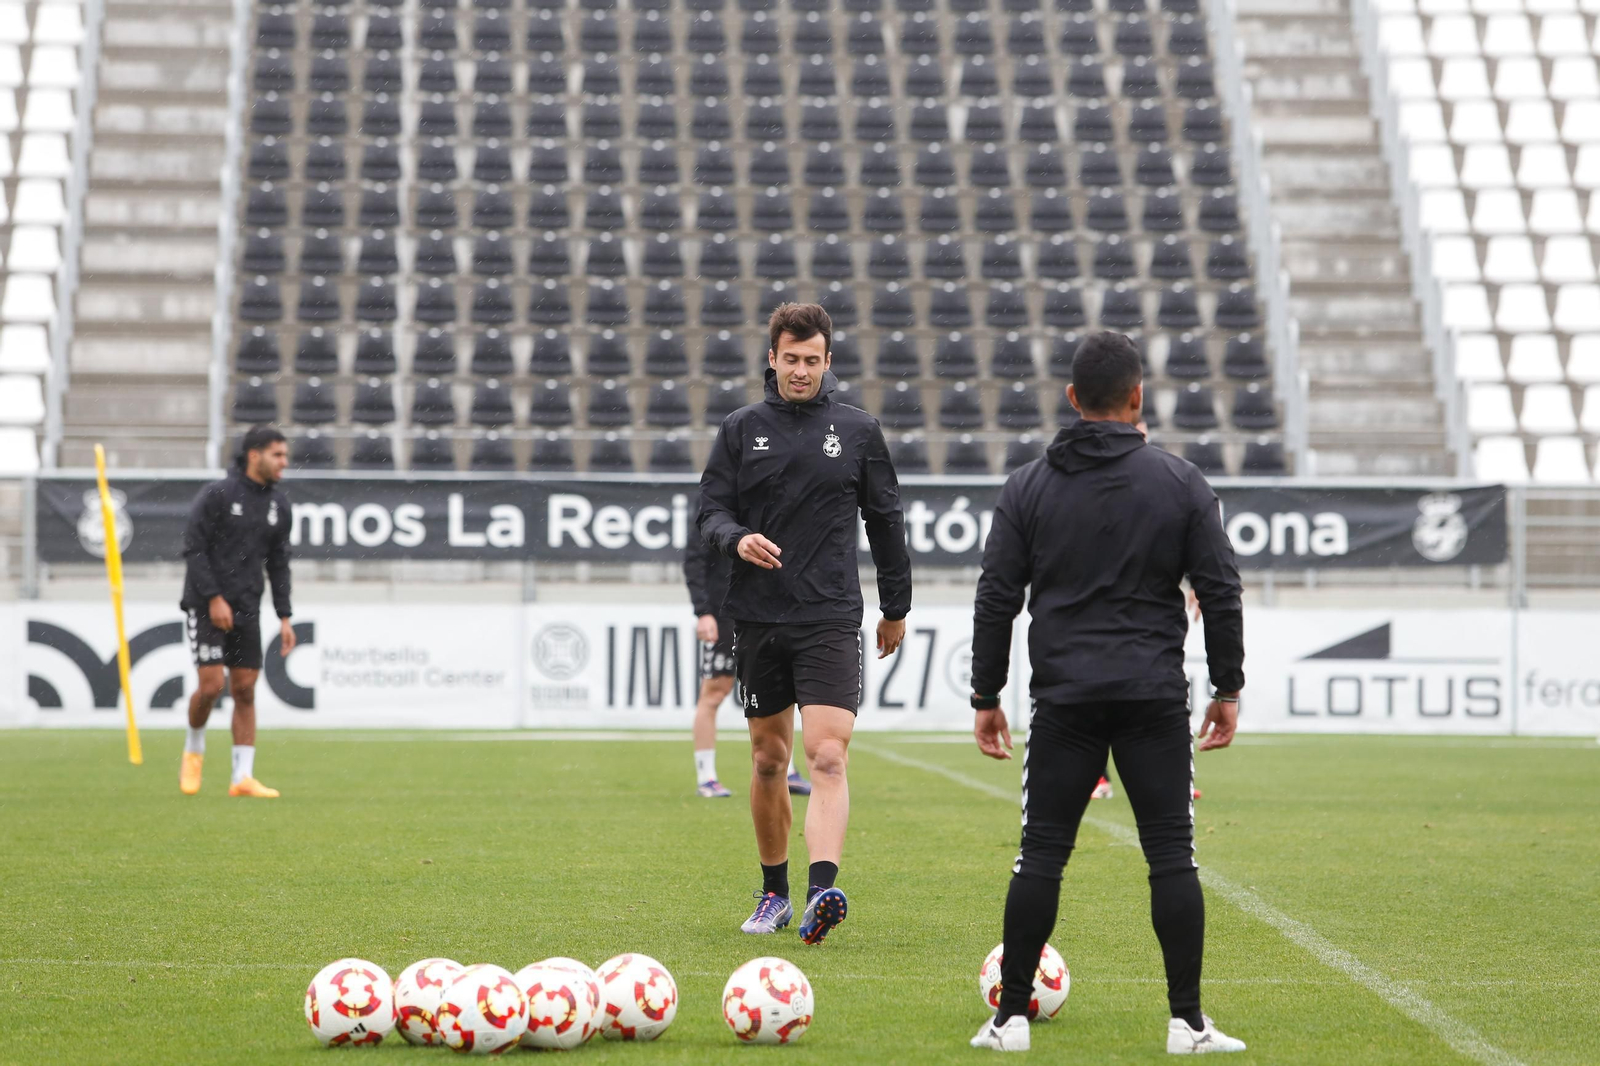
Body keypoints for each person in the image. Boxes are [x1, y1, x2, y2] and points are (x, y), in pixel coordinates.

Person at [966, 332, 1247, 1054]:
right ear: (1137, 397)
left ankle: (1011, 1020)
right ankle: (1187, 1024)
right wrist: (1227, 685)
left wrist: (986, 695)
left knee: (1040, 856)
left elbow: (996, 597)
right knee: (1172, 856)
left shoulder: (1028, 486)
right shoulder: (1181, 481)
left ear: (1072, 398)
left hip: (1066, 700)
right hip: (1153, 696)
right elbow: (1220, 589)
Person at [698, 302, 912, 945]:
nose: (800, 370)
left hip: (829, 617)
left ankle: (822, 891)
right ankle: (775, 894)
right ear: (772, 358)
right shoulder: (741, 429)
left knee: (826, 754)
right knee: (769, 759)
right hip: (758, 617)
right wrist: (736, 538)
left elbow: (886, 520)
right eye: (790, 359)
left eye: (811, 360)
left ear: (827, 361)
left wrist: (895, 607)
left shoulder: (858, 430)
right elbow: (709, 512)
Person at [178, 425, 296, 798]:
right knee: (211, 686)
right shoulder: (217, 495)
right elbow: (194, 548)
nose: (284, 462)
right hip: (206, 604)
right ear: (254, 455)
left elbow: (279, 564)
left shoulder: (279, 506)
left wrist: (285, 616)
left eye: (285, 455)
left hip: (248, 606)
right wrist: (214, 598)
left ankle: (242, 777)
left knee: (245, 689)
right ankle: (194, 748)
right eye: (278, 455)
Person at [683, 510, 811, 799]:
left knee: (782, 690)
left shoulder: (774, 495)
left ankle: (788, 770)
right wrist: (703, 612)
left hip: (771, 611)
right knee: (714, 692)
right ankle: (706, 777)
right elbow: (694, 559)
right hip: (725, 612)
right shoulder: (716, 501)